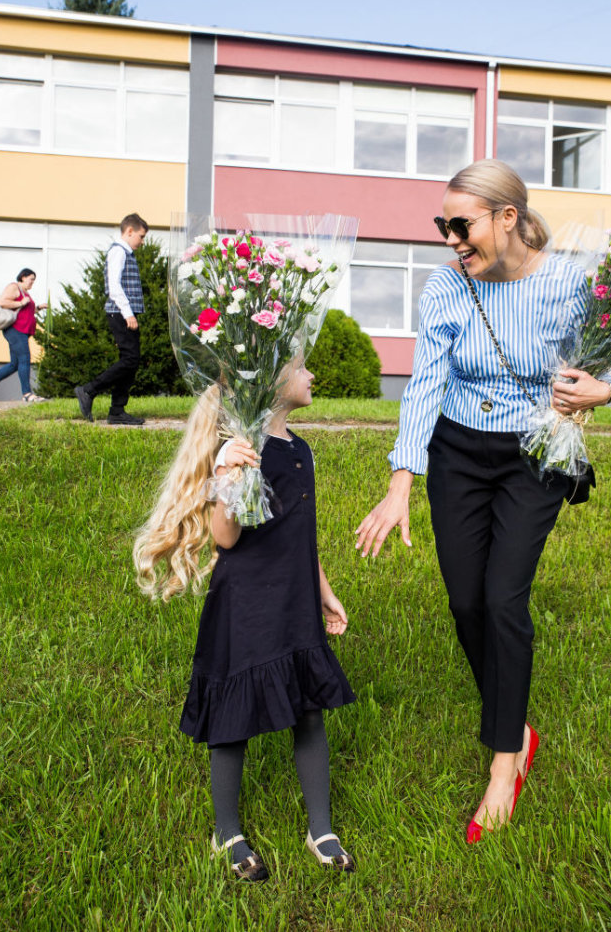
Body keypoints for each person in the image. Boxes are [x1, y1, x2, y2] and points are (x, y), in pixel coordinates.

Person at [356, 159, 611, 843]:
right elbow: (424, 385)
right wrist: (401, 480)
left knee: (505, 599)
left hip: (534, 453)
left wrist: (604, 391)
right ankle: (513, 713)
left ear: (507, 218)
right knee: (466, 601)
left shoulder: (566, 283)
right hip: (459, 453)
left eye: (460, 224)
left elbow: (605, 362)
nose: (450, 238)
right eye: (444, 225)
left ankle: (506, 758)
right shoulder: (445, 287)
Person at [134, 360, 356, 881]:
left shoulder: (301, 450)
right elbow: (225, 539)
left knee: (309, 709)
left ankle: (319, 827)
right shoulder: (242, 447)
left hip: (295, 600)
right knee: (233, 718)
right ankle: (227, 829)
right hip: (245, 603)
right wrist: (228, 475)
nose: (312, 372)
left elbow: (302, 533)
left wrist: (324, 593)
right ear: (272, 378)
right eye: (301, 365)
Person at [74, 213, 148, 425]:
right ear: (129, 231)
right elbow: (114, 286)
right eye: (141, 237)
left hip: (124, 313)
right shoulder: (118, 252)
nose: (142, 242)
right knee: (129, 359)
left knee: (131, 362)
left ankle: (117, 411)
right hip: (120, 313)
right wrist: (128, 313)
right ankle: (88, 390)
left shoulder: (126, 252)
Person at [0, 268, 48, 402]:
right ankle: (27, 394)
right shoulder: (14, 287)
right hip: (15, 330)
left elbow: (26, 311)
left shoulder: (25, 293)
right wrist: (20, 302)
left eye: (34, 280)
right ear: (23, 277)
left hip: (23, 331)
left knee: (14, 364)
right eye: (31, 279)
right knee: (24, 359)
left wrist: (40, 307)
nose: (32, 282)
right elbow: (2, 301)